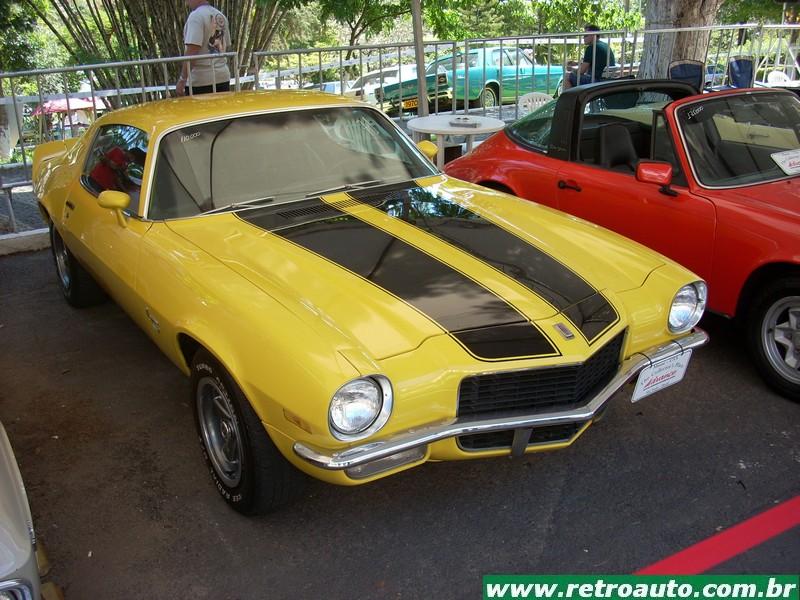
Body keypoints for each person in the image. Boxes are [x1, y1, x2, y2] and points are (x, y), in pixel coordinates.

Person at [176, 0, 231, 96]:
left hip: (201, 80)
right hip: (222, 76)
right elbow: (225, 45)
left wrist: (182, 79)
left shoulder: (196, 16)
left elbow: (192, 51)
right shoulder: (220, 15)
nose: (186, 2)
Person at [564, 24, 616, 90]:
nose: (583, 37)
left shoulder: (591, 48)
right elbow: (595, 64)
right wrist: (577, 63)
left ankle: (571, 97)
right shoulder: (605, 45)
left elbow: (581, 71)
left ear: (593, 35)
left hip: (596, 82)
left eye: (585, 35)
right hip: (608, 81)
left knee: (567, 76)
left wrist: (571, 69)